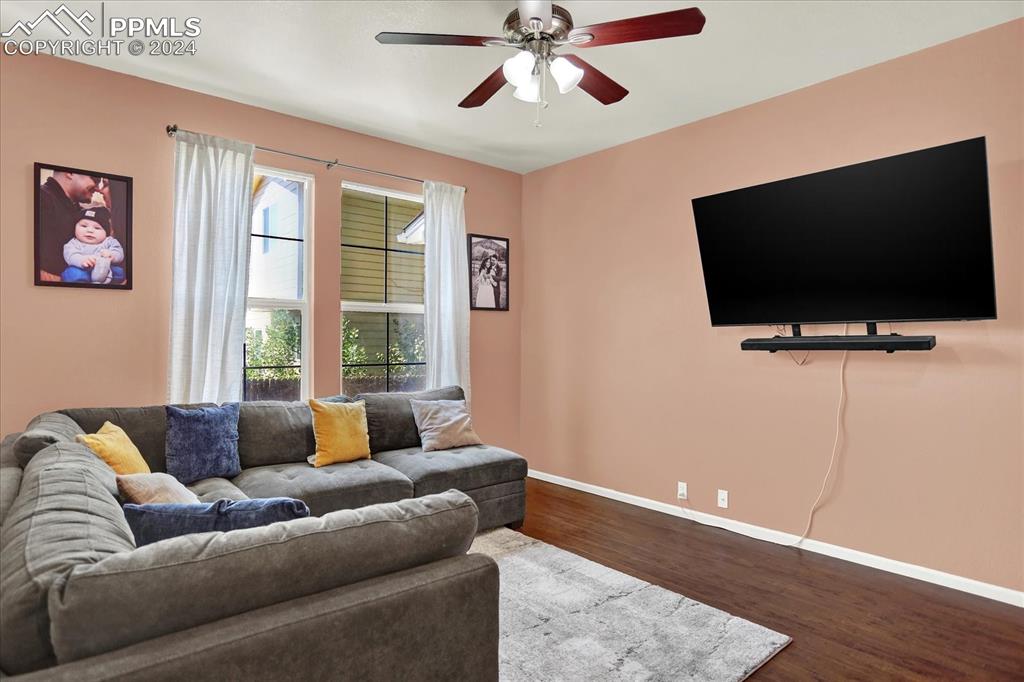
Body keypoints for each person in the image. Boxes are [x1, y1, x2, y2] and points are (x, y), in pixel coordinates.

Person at [37, 172, 103, 281]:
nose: (97, 189)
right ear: (70, 173)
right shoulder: (40, 198)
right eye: (95, 179)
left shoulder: (76, 210)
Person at [61, 207, 125, 284]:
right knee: (72, 273)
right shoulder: (73, 243)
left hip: (105, 269)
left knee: (119, 272)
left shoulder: (109, 241)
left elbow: (119, 251)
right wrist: (82, 260)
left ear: (106, 233)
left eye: (97, 228)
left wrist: (112, 255)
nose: (90, 230)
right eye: (84, 226)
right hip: (82, 269)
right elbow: (70, 256)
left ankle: (108, 281)